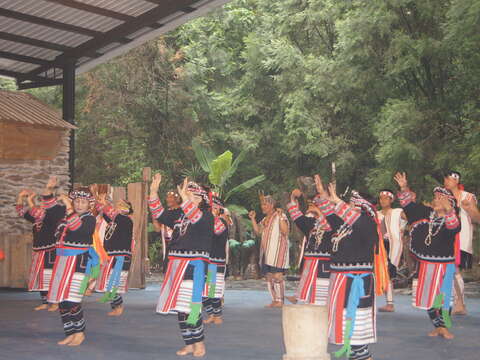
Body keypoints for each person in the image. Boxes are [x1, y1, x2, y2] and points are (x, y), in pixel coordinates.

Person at [316, 175, 382, 360]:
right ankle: (360, 357)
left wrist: (336, 200)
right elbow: (330, 214)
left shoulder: (367, 225)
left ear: (363, 208)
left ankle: (364, 357)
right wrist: (322, 195)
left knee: (355, 326)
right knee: (346, 325)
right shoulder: (345, 226)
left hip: (356, 283)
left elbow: (350, 216)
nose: (349, 207)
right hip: (342, 281)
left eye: (353, 205)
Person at [149, 174, 214, 357]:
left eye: (192, 196)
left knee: (190, 306)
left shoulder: (206, 217)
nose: (188, 198)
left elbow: (194, 216)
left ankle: (199, 342)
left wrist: (185, 198)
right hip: (176, 265)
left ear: (201, 199)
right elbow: (159, 214)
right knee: (180, 307)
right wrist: (153, 192)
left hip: (194, 266)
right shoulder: (179, 214)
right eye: (186, 195)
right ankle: (189, 342)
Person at [395, 172, 461, 339]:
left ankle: (444, 327)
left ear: (449, 202)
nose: (436, 200)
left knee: (445, 298)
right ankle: (437, 326)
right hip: (426, 264)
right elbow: (407, 205)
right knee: (429, 298)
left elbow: (454, 228)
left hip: (445, 265)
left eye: (440, 198)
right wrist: (403, 187)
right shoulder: (425, 213)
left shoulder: (451, 217)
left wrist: (448, 210)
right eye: (435, 197)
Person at [47, 188, 98, 346]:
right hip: (62, 262)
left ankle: (79, 333)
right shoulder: (65, 219)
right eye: (76, 201)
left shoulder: (90, 219)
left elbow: (77, 228)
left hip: (78, 262)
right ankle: (69, 332)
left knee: (72, 300)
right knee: (61, 300)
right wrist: (49, 190)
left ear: (89, 204)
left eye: (83, 202)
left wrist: (68, 207)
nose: (79, 204)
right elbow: (50, 215)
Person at [16, 176, 65, 311]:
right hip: (39, 251)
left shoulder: (53, 214)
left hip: (50, 250)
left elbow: (39, 212)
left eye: (45, 203)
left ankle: (55, 303)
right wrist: (21, 197)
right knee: (41, 277)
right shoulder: (38, 217)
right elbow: (21, 211)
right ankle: (44, 302)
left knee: (51, 277)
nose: (42, 205)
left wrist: (31, 201)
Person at [286, 188, 341, 305]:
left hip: (324, 265)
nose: (314, 206)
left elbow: (328, 227)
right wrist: (293, 198)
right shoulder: (311, 223)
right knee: (308, 295)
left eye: (317, 204)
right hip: (310, 264)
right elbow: (296, 216)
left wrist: (319, 211)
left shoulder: (336, 222)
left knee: (322, 296)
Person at [443, 170, 477, 315]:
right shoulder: (443, 197)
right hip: (446, 237)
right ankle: (458, 302)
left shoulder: (468, 196)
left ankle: (460, 303)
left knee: (455, 269)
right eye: (445, 179)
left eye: (448, 179)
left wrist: (468, 208)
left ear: (456, 180)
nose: (445, 181)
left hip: (462, 237)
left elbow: (477, 218)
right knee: (450, 270)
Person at [94, 193, 134, 316]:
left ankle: (119, 306)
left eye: (119, 205)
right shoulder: (115, 221)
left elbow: (107, 210)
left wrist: (102, 203)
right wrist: (98, 200)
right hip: (113, 256)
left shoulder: (125, 220)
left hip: (120, 257)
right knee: (109, 282)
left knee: (112, 283)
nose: (116, 207)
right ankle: (115, 306)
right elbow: (104, 211)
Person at [249, 194, 290, 308]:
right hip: (267, 253)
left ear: (272, 205)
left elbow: (285, 231)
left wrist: (281, 217)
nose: (263, 206)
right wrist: (252, 219)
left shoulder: (280, 215)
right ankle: (274, 299)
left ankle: (280, 300)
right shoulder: (264, 219)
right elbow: (258, 231)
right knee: (269, 276)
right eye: (262, 204)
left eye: (265, 204)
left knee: (277, 276)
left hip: (278, 252)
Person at [377, 189, 406, 312]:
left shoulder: (398, 212)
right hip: (380, 246)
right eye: (381, 198)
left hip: (393, 245)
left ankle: (390, 303)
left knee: (388, 271)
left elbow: (409, 217)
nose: (383, 200)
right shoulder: (376, 214)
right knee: (381, 271)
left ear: (391, 200)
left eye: (386, 198)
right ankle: (388, 302)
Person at [203, 194, 230, 325]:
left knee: (213, 291)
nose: (211, 209)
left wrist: (213, 216)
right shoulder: (210, 220)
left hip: (217, 261)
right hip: (209, 260)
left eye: (214, 207)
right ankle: (212, 313)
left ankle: (217, 315)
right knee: (206, 292)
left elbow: (217, 231)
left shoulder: (222, 222)